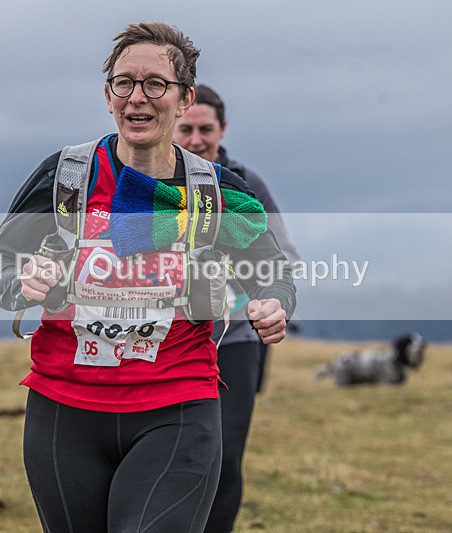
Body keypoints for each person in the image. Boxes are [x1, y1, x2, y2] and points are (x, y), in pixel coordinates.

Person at [0, 22, 295, 533]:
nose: (137, 97)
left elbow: (272, 272)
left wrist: (273, 303)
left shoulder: (216, 190)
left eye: (155, 84)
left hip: (178, 407)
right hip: (64, 409)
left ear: (184, 97)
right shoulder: (67, 177)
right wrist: (24, 282)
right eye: (124, 83)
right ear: (108, 96)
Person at [175, 84, 301, 533]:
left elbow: (283, 256)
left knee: (225, 455)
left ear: (222, 129)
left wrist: (259, 293)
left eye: (205, 129)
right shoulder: (150, 183)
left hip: (235, 339)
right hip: (166, 339)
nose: (196, 140)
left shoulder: (245, 184)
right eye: (186, 129)